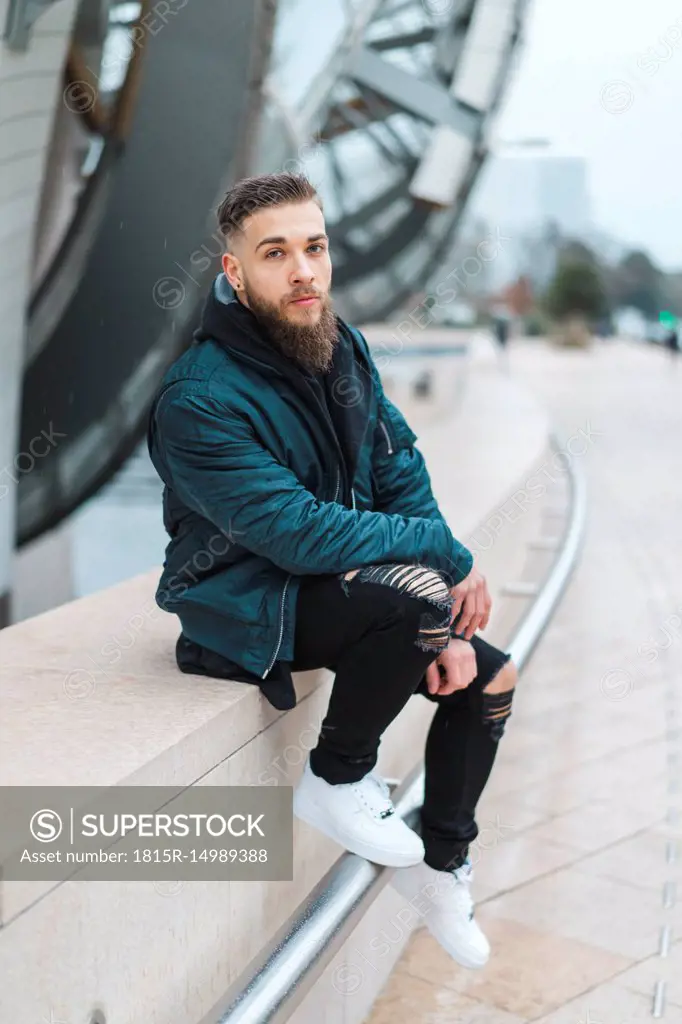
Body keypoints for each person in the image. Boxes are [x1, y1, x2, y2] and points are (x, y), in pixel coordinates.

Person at [147, 172, 517, 970]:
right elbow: (296, 533)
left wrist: (447, 608)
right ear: (235, 272)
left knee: (491, 676)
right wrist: (444, 566)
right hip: (247, 603)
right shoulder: (198, 400)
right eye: (276, 254)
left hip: (340, 589)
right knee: (418, 597)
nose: (304, 271)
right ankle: (338, 778)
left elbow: (397, 467)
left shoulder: (336, 345)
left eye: (313, 248)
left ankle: (442, 868)